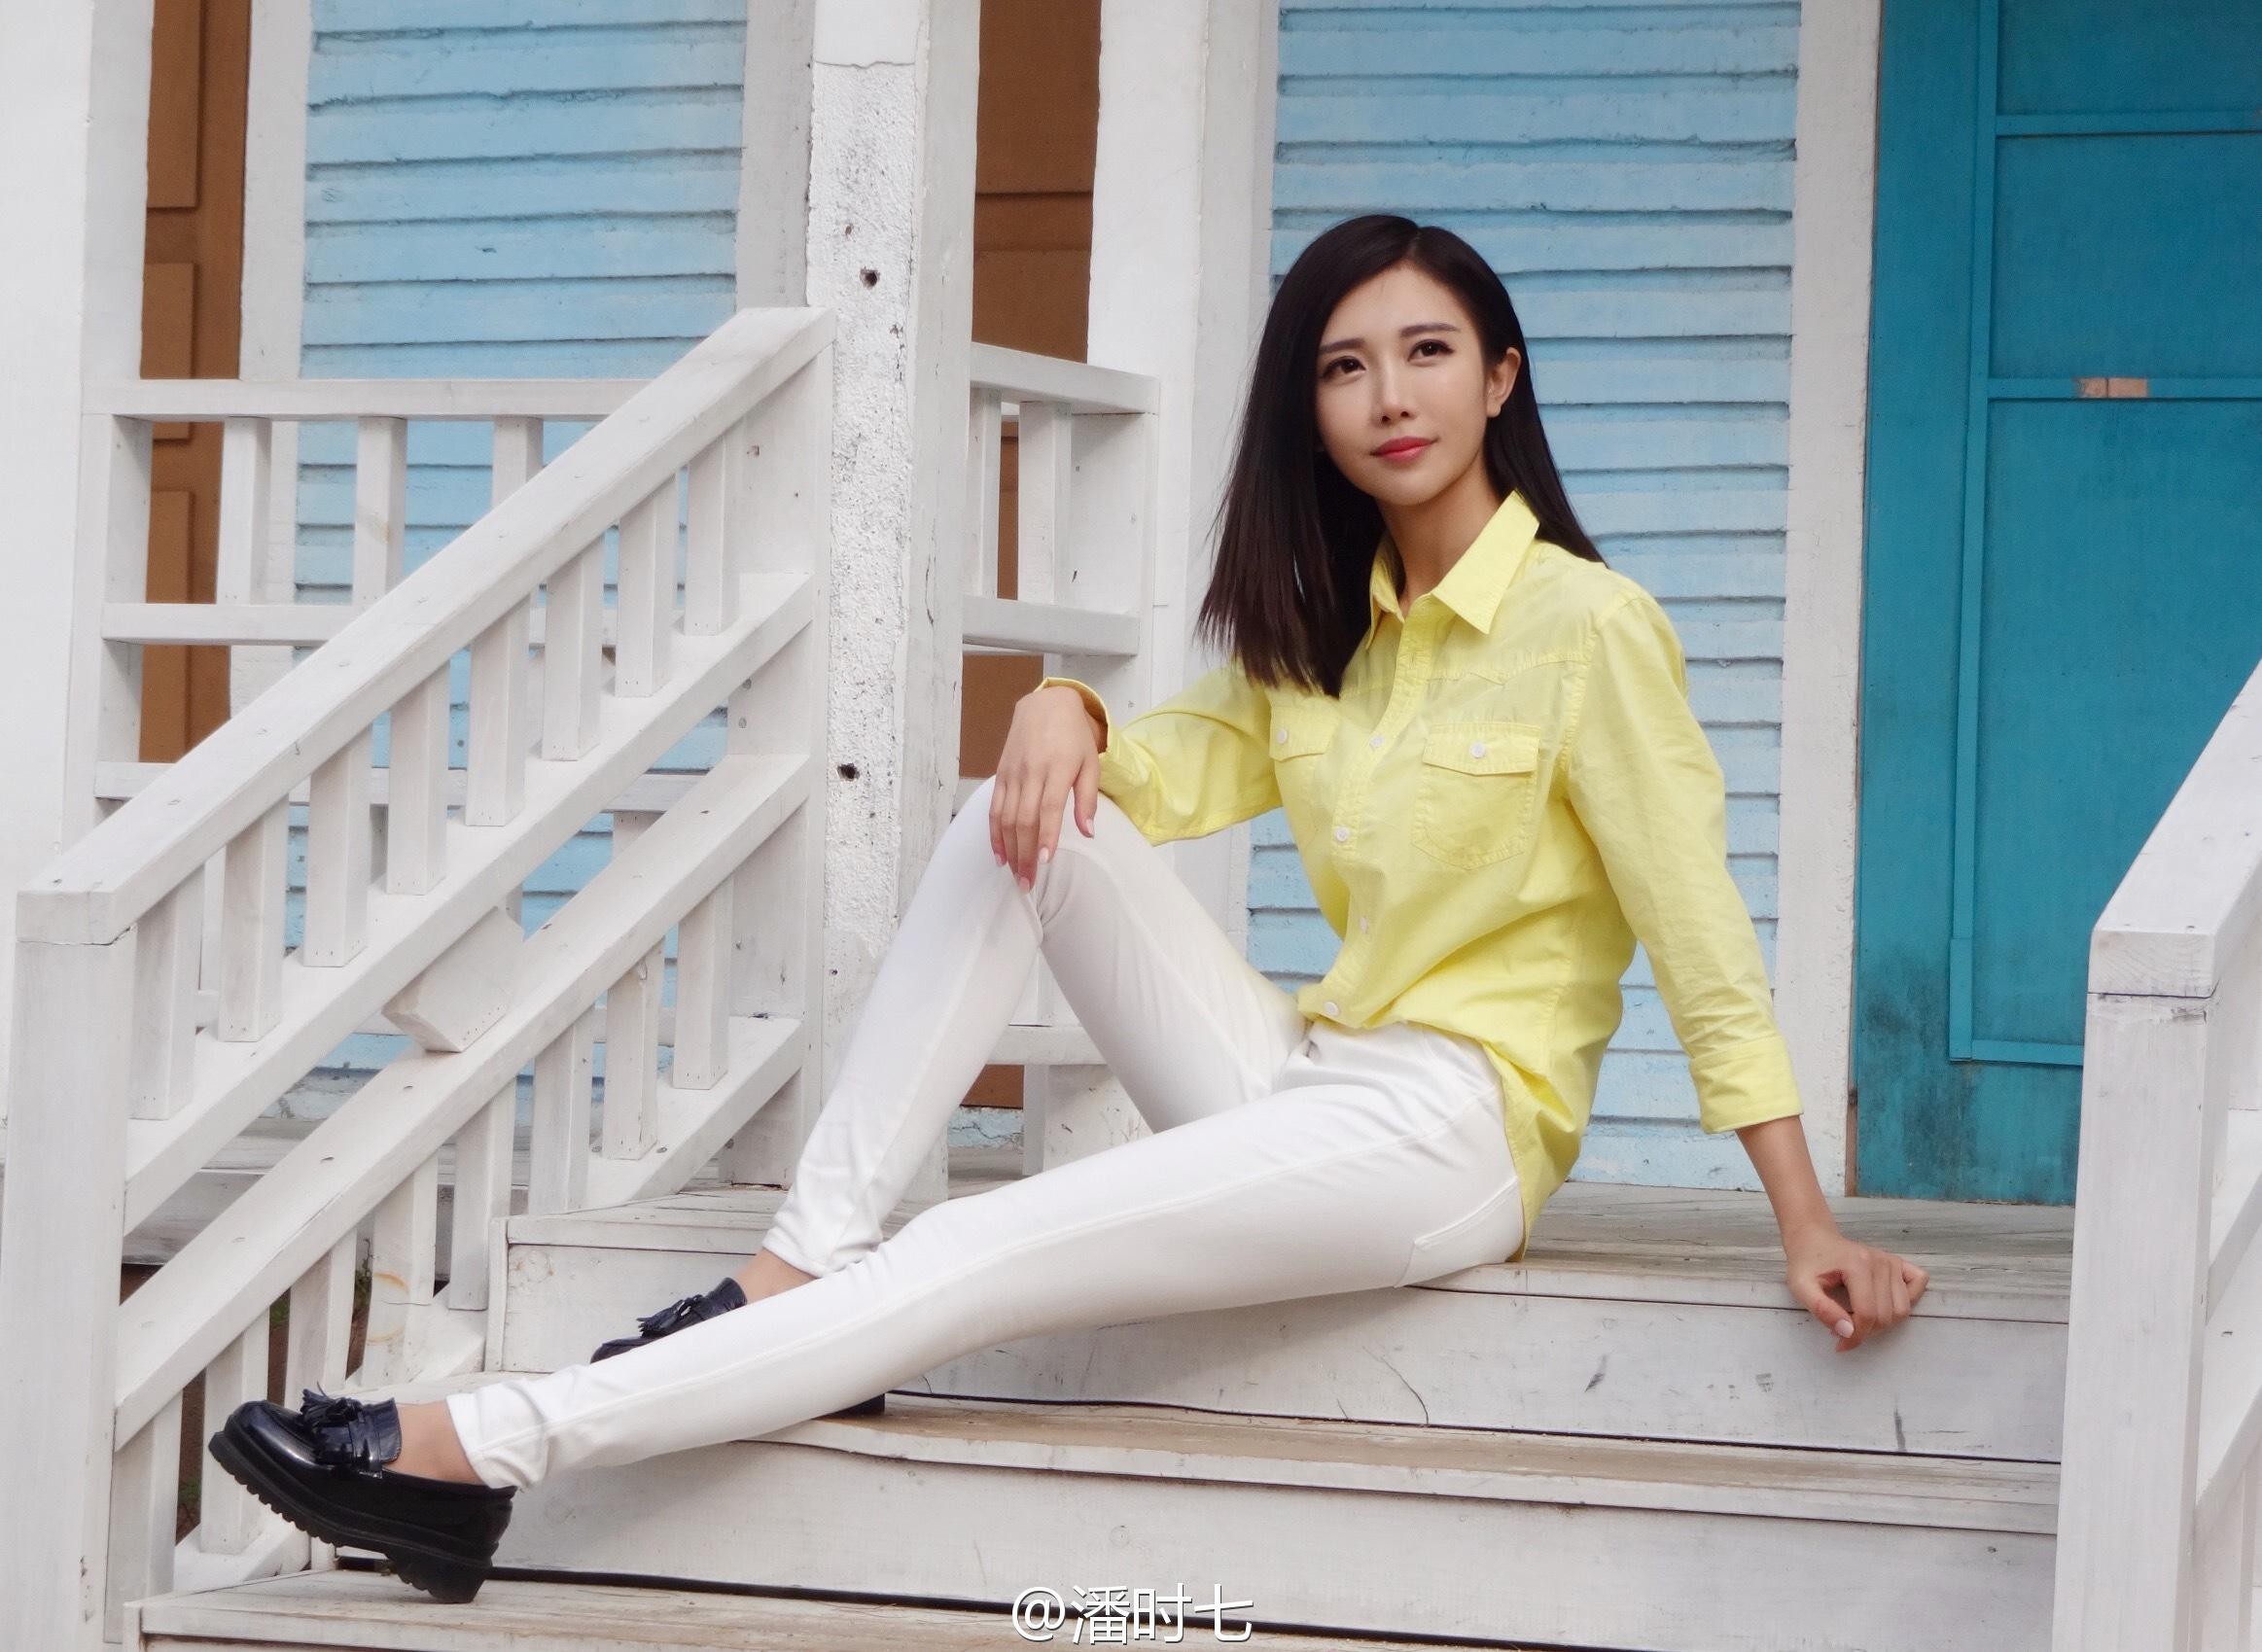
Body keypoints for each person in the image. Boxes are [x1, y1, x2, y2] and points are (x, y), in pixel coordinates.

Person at [211, 214, 1928, 1604]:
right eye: (1343, 366)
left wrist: (1803, 1222)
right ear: (1309, 409)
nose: (1388, 397)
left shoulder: (1589, 630)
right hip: (1306, 1075)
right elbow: (1153, 772)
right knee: (1019, 811)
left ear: (1499, 378)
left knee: (968, 1246)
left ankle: (478, 1448)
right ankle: (796, 1262)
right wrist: (1062, 704)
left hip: (1451, 1132)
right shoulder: (1328, 632)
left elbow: (1699, 934)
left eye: (1425, 353)